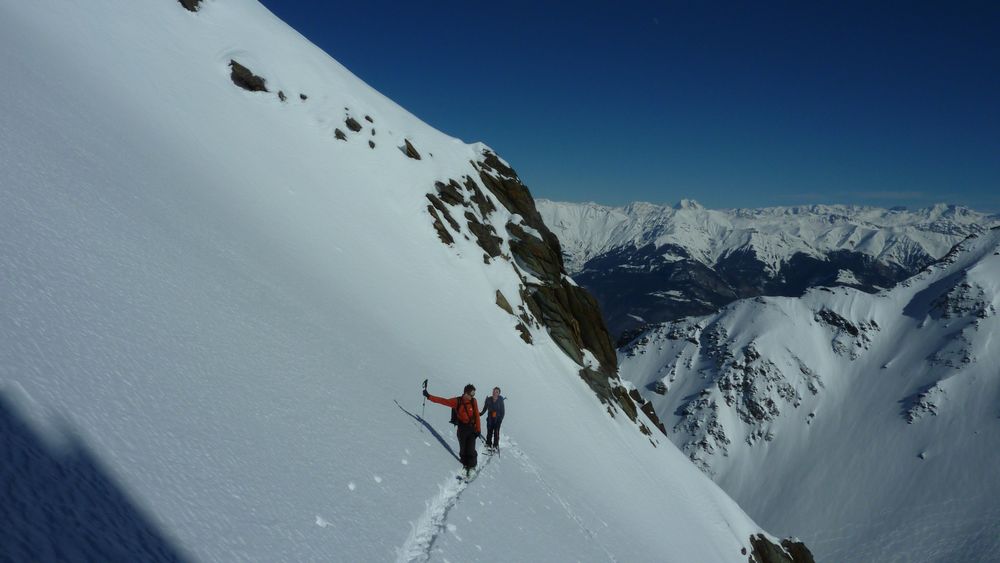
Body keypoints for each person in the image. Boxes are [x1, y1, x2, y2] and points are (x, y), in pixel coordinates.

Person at [424, 384, 481, 476]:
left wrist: (478, 429)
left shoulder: (474, 401)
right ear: (466, 393)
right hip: (462, 429)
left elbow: (477, 416)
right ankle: (465, 465)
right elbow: (443, 401)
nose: (473, 396)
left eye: (474, 394)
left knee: (471, 449)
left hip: (471, 429)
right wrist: (429, 396)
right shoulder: (457, 401)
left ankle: (472, 467)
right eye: (471, 394)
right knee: (463, 450)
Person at [479, 387, 505, 452]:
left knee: (496, 432)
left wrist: (500, 419)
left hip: (497, 419)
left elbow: (503, 411)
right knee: (489, 431)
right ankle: (488, 443)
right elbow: (484, 409)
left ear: (499, 393)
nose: (494, 392)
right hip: (490, 418)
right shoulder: (489, 399)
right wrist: (480, 414)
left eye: (496, 392)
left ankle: (495, 445)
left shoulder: (500, 400)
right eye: (494, 391)